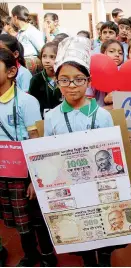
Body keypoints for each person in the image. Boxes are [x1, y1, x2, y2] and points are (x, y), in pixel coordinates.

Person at [44, 36, 122, 266]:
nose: (71, 86)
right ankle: (89, 260)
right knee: (81, 226)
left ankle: (105, 258)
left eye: (78, 80)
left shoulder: (102, 115)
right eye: (64, 80)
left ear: (88, 81)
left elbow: (110, 152)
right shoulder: (52, 117)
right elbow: (48, 154)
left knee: (104, 222)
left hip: (100, 183)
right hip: (69, 184)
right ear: (57, 82)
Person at [0, 47, 58, 267]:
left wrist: (35, 178)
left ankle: (46, 255)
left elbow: (35, 139)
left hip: (24, 171)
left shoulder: (26, 102)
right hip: (3, 169)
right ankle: (30, 254)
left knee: (35, 218)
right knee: (17, 220)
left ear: (12, 72)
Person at [29, 42, 62, 118]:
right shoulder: (36, 79)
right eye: (44, 56)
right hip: (43, 119)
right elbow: (32, 103)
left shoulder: (65, 78)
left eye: (52, 57)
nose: (47, 61)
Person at [88, 39, 124, 108]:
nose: (117, 55)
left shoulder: (124, 73)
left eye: (120, 53)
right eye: (111, 51)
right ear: (102, 53)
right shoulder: (94, 71)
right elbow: (87, 102)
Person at [11, 5, 45, 74]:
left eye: (11, 17)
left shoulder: (31, 30)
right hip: (24, 62)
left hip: (31, 63)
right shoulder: (21, 32)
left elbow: (41, 49)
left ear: (15, 17)